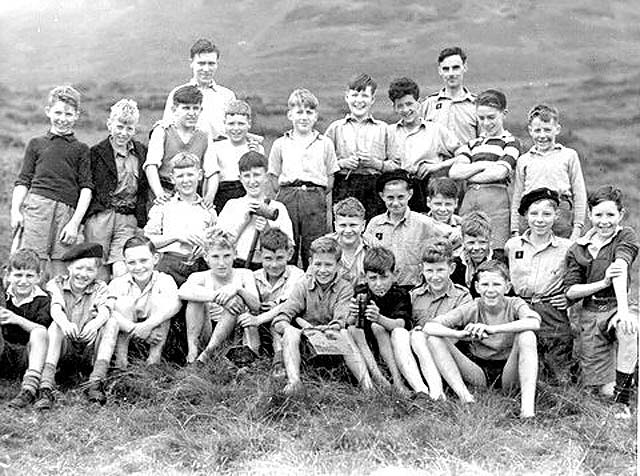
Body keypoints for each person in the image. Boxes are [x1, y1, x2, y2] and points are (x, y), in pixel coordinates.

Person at [424, 260, 540, 419]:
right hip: (479, 371)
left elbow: (534, 322)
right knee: (434, 339)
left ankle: (527, 411)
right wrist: (460, 334)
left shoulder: (514, 303)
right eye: (485, 284)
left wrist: (493, 329)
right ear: (477, 287)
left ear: (507, 287)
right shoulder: (473, 306)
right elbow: (429, 327)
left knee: (527, 335)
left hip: (509, 368)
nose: (490, 290)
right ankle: (465, 397)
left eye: (496, 284)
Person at [565, 185, 638, 419]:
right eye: (598, 215)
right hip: (591, 313)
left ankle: (622, 402)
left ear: (621, 214)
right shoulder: (578, 249)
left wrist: (624, 312)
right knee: (601, 391)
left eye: (610, 215)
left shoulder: (626, 236)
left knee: (627, 330)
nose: (604, 221)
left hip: (620, 305)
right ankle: (629, 371)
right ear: (589, 215)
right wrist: (602, 283)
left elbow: (620, 268)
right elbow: (571, 291)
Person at [271, 236, 372, 395]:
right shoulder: (303, 286)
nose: (322, 270)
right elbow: (281, 318)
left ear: (338, 265)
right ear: (310, 262)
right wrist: (293, 326)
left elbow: (341, 319)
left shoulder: (344, 288)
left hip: (333, 342)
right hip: (306, 345)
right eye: (318, 264)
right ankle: (294, 382)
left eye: (328, 265)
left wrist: (329, 328)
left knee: (345, 332)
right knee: (290, 332)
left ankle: (367, 386)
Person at [11, 85, 92, 279]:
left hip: (66, 214)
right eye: (58, 112)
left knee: (62, 265)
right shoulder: (36, 144)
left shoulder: (82, 149)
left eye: (68, 114)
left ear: (77, 115)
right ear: (48, 111)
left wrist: (74, 223)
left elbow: (86, 188)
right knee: (30, 262)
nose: (62, 119)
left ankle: (56, 306)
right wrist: (15, 210)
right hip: (38, 208)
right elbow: (23, 181)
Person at [35, 243, 119, 409]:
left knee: (112, 323)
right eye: (79, 268)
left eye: (90, 270)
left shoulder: (100, 287)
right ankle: (46, 385)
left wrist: (95, 324)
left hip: (89, 347)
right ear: (69, 267)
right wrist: (65, 323)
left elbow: (105, 310)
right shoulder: (56, 283)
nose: (83, 274)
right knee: (55, 326)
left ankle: (96, 381)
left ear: (97, 272)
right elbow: (56, 307)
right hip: (64, 347)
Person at [504, 188, 574, 384]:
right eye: (534, 214)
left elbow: (578, 278)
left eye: (547, 214)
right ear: (526, 215)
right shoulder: (513, 245)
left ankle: (558, 393)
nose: (540, 220)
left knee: (558, 376)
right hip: (521, 308)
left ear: (556, 215)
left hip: (551, 311)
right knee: (520, 362)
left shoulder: (566, 248)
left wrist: (570, 298)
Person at [268, 88, 339, 268]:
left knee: (314, 246)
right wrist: (290, 193)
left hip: (315, 197)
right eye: (299, 112)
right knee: (287, 242)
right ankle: (287, 286)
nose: (304, 117)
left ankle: (313, 284)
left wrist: (314, 194)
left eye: (309, 112)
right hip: (288, 196)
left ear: (315, 116)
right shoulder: (280, 144)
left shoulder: (325, 144)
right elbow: (274, 177)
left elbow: (330, 178)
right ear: (290, 115)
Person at [392, 239, 471, 399]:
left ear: (451, 268)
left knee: (422, 335)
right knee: (399, 332)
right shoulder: (414, 296)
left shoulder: (462, 297)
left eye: (440, 270)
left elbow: (460, 337)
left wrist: (427, 335)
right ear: (422, 270)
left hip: (447, 357)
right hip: (418, 359)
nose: (435, 277)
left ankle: (437, 392)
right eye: (430, 271)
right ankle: (421, 390)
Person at [450, 89, 521, 259]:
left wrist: (469, 172)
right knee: (465, 251)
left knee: (495, 252)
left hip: (496, 204)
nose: (486, 123)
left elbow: (499, 172)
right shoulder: (472, 143)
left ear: (503, 114)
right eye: (481, 118)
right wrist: (483, 165)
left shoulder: (510, 142)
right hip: (469, 203)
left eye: (491, 117)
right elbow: (454, 171)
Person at [84, 99, 149, 281]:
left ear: (135, 129)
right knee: (97, 266)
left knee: (122, 267)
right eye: (119, 127)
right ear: (109, 124)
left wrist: (142, 218)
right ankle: (97, 306)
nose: (123, 133)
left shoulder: (141, 152)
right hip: (101, 216)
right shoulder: (96, 153)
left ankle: (119, 306)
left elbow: (144, 187)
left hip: (128, 217)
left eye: (129, 128)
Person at [179, 230, 261, 364]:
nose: (221, 263)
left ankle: (206, 355)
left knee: (236, 300)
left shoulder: (244, 274)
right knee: (195, 300)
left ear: (235, 254)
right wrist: (215, 297)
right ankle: (193, 355)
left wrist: (237, 289)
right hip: (207, 330)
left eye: (227, 256)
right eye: (215, 257)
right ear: (206, 257)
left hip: (235, 331)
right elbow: (182, 292)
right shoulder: (200, 276)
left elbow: (256, 306)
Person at [325, 73, 396, 220]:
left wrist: (376, 164)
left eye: (364, 96)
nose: (359, 101)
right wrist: (341, 163)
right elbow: (322, 162)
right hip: (344, 185)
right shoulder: (335, 128)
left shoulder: (384, 129)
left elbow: (397, 165)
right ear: (347, 97)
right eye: (355, 95)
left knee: (374, 230)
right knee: (344, 228)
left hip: (375, 188)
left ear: (372, 99)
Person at [365, 170, 453, 288]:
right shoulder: (375, 224)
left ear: (410, 194)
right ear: (382, 196)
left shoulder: (423, 222)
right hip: (384, 288)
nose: (396, 203)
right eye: (390, 198)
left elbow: (454, 236)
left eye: (401, 197)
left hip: (413, 288)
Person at [511, 104, 587, 240]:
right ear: (530, 131)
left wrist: (577, 227)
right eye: (537, 130)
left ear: (557, 129)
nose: (542, 135)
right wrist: (515, 230)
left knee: (561, 256)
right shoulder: (524, 160)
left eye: (547, 130)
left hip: (561, 214)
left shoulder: (569, 155)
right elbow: (517, 196)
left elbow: (579, 193)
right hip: (532, 215)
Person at [387, 77, 461, 213]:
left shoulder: (435, 130)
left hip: (429, 192)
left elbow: (463, 155)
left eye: (409, 104)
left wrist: (437, 167)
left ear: (419, 103)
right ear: (394, 107)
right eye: (400, 106)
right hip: (401, 196)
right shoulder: (389, 132)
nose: (406, 110)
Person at [236, 228, 305, 373]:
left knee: (278, 322)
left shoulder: (297, 275)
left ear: (290, 254)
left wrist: (259, 318)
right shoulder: (254, 276)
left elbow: (287, 304)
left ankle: (279, 362)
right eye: (268, 259)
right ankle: (248, 359)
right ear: (260, 256)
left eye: (280, 258)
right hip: (259, 324)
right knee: (247, 318)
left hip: (286, 321)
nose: (274, 265)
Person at [107, 235, 181, 368]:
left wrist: (147, 326)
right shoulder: (118, 283)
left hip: (156, 333)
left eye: (143, 260)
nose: (138, 267)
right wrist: (136, 330)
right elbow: (109, 312)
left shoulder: (164, 279)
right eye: (132, 262)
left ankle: (153, 360)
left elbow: (176, 305)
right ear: (125, 263)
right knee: (122, 304)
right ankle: (121, 362)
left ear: (155, 259)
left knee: (162, 305)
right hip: (127, 331)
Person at [144, 153, 216, 287]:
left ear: (199, 175)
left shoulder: (208, 210)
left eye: (190, 175)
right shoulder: (163, 206)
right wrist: (176, 236)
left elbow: (216, 243)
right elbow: (148, 243)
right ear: (172, 178)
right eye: (180, 176)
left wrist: (206, 247)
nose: (186, 180)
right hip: (169, 263)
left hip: (199, 266)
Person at [347, 247, 412, 395]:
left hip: (390, 343)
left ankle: (397, 380)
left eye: (384, 278)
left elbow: (400, 324)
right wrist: (352, 313)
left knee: (378, 327)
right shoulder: (361, 291)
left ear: (394, 275)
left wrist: (379, 318)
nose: (378, 284)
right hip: (366, 343)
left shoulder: (400, 294)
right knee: (351, 329)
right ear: (365, 277)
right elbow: (349, 322)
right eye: (373, 278)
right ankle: (377, 376)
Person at [217, 151, 293, 270]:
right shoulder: (232, 206)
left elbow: (288, 246)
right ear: (240, 179)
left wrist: (268, 230)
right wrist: (243, 222)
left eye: (257, 175)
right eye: (247, 176)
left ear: (267, 177)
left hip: (268, 269)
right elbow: (220, 245)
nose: (252, 181)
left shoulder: (278, 208)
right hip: (238, 266)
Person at [145, 85, 219, 203]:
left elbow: (212, 170)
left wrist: (209, 197)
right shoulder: (163, 131)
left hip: (191, 195)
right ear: (174, 109)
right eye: (186, 108)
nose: (191, 113)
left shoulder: (204, 135)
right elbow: (151, 166)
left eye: (195, 108)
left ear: (201, 110)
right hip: (164, 193)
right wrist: (159, 193)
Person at [0, 249, 51, 408]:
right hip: (4, 351)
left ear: (38, 276)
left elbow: (43, 331)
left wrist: (16, 319)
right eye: (18, 275)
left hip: (27, 356)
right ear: (8, 275)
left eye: (29, 276)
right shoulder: (4, 295)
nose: (23, 281)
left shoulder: (43, 300)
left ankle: (29, 387)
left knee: (39, 332)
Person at [162, 38, 236, 141]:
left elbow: (235, 129)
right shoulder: (177, 93)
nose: (206, 69)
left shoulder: (227, 96)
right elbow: (167, 129)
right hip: (188, 151)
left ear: (217, 64)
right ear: (191, 63)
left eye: (211, 63)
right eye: (201, 63)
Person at [205, 100, 265, 212]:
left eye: (241, 124)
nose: (236, 128)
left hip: (248, 193)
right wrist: (210, 196)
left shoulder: (256, 148)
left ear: (249, 124)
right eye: (231, 124)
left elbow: (260, 177)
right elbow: (213, 175)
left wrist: (255, 155)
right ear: (224, 124)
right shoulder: (216, 147)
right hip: (223, 194)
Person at [422, 46, 478, 145]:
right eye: (446, 69)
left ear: (464, 67)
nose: (451, 73)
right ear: (440, 71)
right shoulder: (428, 105)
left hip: (467, 159)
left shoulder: (477, 105)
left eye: (455, 68)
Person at [451, 211, 494, 297]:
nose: (476, 248)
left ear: (490, 241)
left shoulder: (499, 263)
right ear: (463, 241)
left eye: (482, 242)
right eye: (471, 243)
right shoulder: (455, 265)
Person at [328, 197, 370, 283]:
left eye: (353, 225)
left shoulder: (371, 248)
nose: (348, 231)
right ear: (335, 226)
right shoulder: (325, 247)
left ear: (363, 225)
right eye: (343, 225)